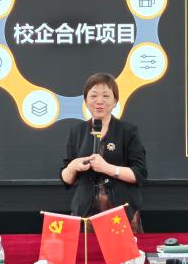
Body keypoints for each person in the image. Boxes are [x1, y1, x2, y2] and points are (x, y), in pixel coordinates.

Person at [60, 72, 148, 232]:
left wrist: (108, 168)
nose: (99, 101)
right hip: (85, 213)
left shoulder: (128, 131)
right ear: (85, 101)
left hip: (121, 213)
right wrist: (72, 167)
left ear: (115, 101)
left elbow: (140, 174)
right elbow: (66, 180)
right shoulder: (76, 131)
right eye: (93, 96)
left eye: (106, 96)